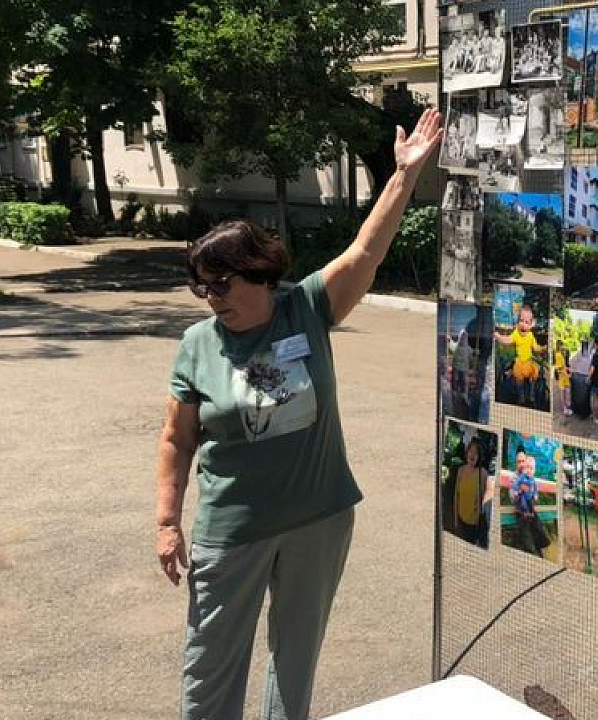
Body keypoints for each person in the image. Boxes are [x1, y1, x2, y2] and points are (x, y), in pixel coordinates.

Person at [155, 109, 444, 720]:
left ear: (260, 274)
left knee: (295, 658)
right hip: (231, 533)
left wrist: (404, 176)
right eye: (201, 288)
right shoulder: (198, 344)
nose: (212, 299)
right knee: (210, 666)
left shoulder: (307, 309)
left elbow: (367, 249)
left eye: (223, 284)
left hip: (319, 519)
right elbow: (176, 440)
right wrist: (167, 521)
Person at [494, 304, 542, 405]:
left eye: (527, 322)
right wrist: (499, 337)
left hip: (529, 362)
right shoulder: (516, 333)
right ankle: (521, 397)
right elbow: (507, 340)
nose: (523, 325)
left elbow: (535, 347)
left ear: (531, 324)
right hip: (520, 363)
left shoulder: (530, 335)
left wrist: (542, 349)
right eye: (521, 320)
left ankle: (532, 393)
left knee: (535, 374)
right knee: (518, 379)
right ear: (517, 321)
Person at [454, 437, 489, 545]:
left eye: (476, 453)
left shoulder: (482, 473)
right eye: (471, 451)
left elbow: (484, 499)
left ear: (479, 457)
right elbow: (456, 495)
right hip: (460, 519)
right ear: (467, 453)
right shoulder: (460, 471)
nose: (473, 455)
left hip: (474, 524)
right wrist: (455, 518)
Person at [555, 345, 572, 417]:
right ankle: (565, 409)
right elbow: (558, 369)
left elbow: (563, 366)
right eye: (565, 352)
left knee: (566, 392)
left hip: (565, 377)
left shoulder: (562, 356)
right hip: (562, 378)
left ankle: (567, 406)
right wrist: (565, 372)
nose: (565, 354)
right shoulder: (558, 356)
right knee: (563, 393)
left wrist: (568, 369)